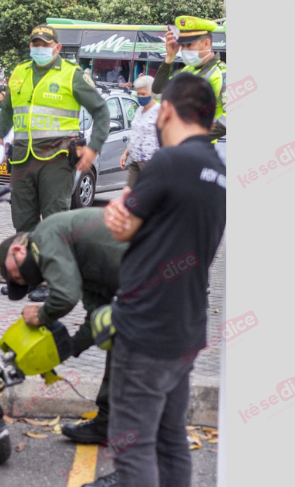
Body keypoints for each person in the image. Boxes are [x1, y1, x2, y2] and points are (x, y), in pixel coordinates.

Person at [85, 73, 226, 487]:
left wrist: (116, 216)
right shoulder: (218, 170)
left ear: (166, 110)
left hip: (147, 329)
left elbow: (124, 227)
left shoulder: (168, 162)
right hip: (186, 330)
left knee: (133, 448)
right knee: (170, 442)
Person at [0, 25, 109, 301]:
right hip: (22, 157)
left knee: (55, 221)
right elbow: (7, 110)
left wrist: (93, 149)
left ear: (57, 48)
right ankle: (27, 274)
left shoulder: (72, 74)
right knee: (23, 221)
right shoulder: (20, 72)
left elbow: (101, 111)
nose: (39, 48)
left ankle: (51, 279)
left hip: (56, 159)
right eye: (35, 43)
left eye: (45, 44)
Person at [0, 208, 128, 444]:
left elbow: (66, 296)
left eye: (15, 277)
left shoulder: (44, 236)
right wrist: (69, 348)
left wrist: (42, 316)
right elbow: (96, 315)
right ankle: (107, 425)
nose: (23, 281)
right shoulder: (81, 258)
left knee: (132, 353)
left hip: (157, 274)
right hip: (141, 281)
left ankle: (139, 441)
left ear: (18, 249)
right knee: (117, 341)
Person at [152, 16, 226, 142]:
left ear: (207, 43)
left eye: (189, 45)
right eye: (182, 46)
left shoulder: (222, 73)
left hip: (200, 150)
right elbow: (158, 94)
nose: (184, 50)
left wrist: (194, 137)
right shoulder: (187, 71)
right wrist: (169, 59)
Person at [119, 75, 161, 187]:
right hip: (135, 159)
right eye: (138, 94)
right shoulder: (139, 110)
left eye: (143, 94)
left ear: (151, 93)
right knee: (129, 193)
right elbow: (136, 135)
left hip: (150, 162)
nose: (140, 97)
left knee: (148, 196)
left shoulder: (160, 111)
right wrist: (125, 153)